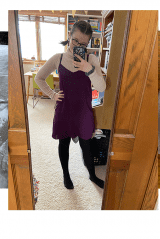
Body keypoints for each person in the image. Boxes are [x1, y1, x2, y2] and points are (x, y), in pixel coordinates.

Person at [35, 21, 106, 189]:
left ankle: (92, 175)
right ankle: (66, 175)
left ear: (88, 44)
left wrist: (89, 69)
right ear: (69, 36)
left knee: (87, 145)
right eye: (75, 41)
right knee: (64, 143)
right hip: (64, 109)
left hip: (84, 111)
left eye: (83, 44)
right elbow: (39, 78)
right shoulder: (57, 58)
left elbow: (101, 87)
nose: (78, 46)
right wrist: (52, 94)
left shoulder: (91, 59)